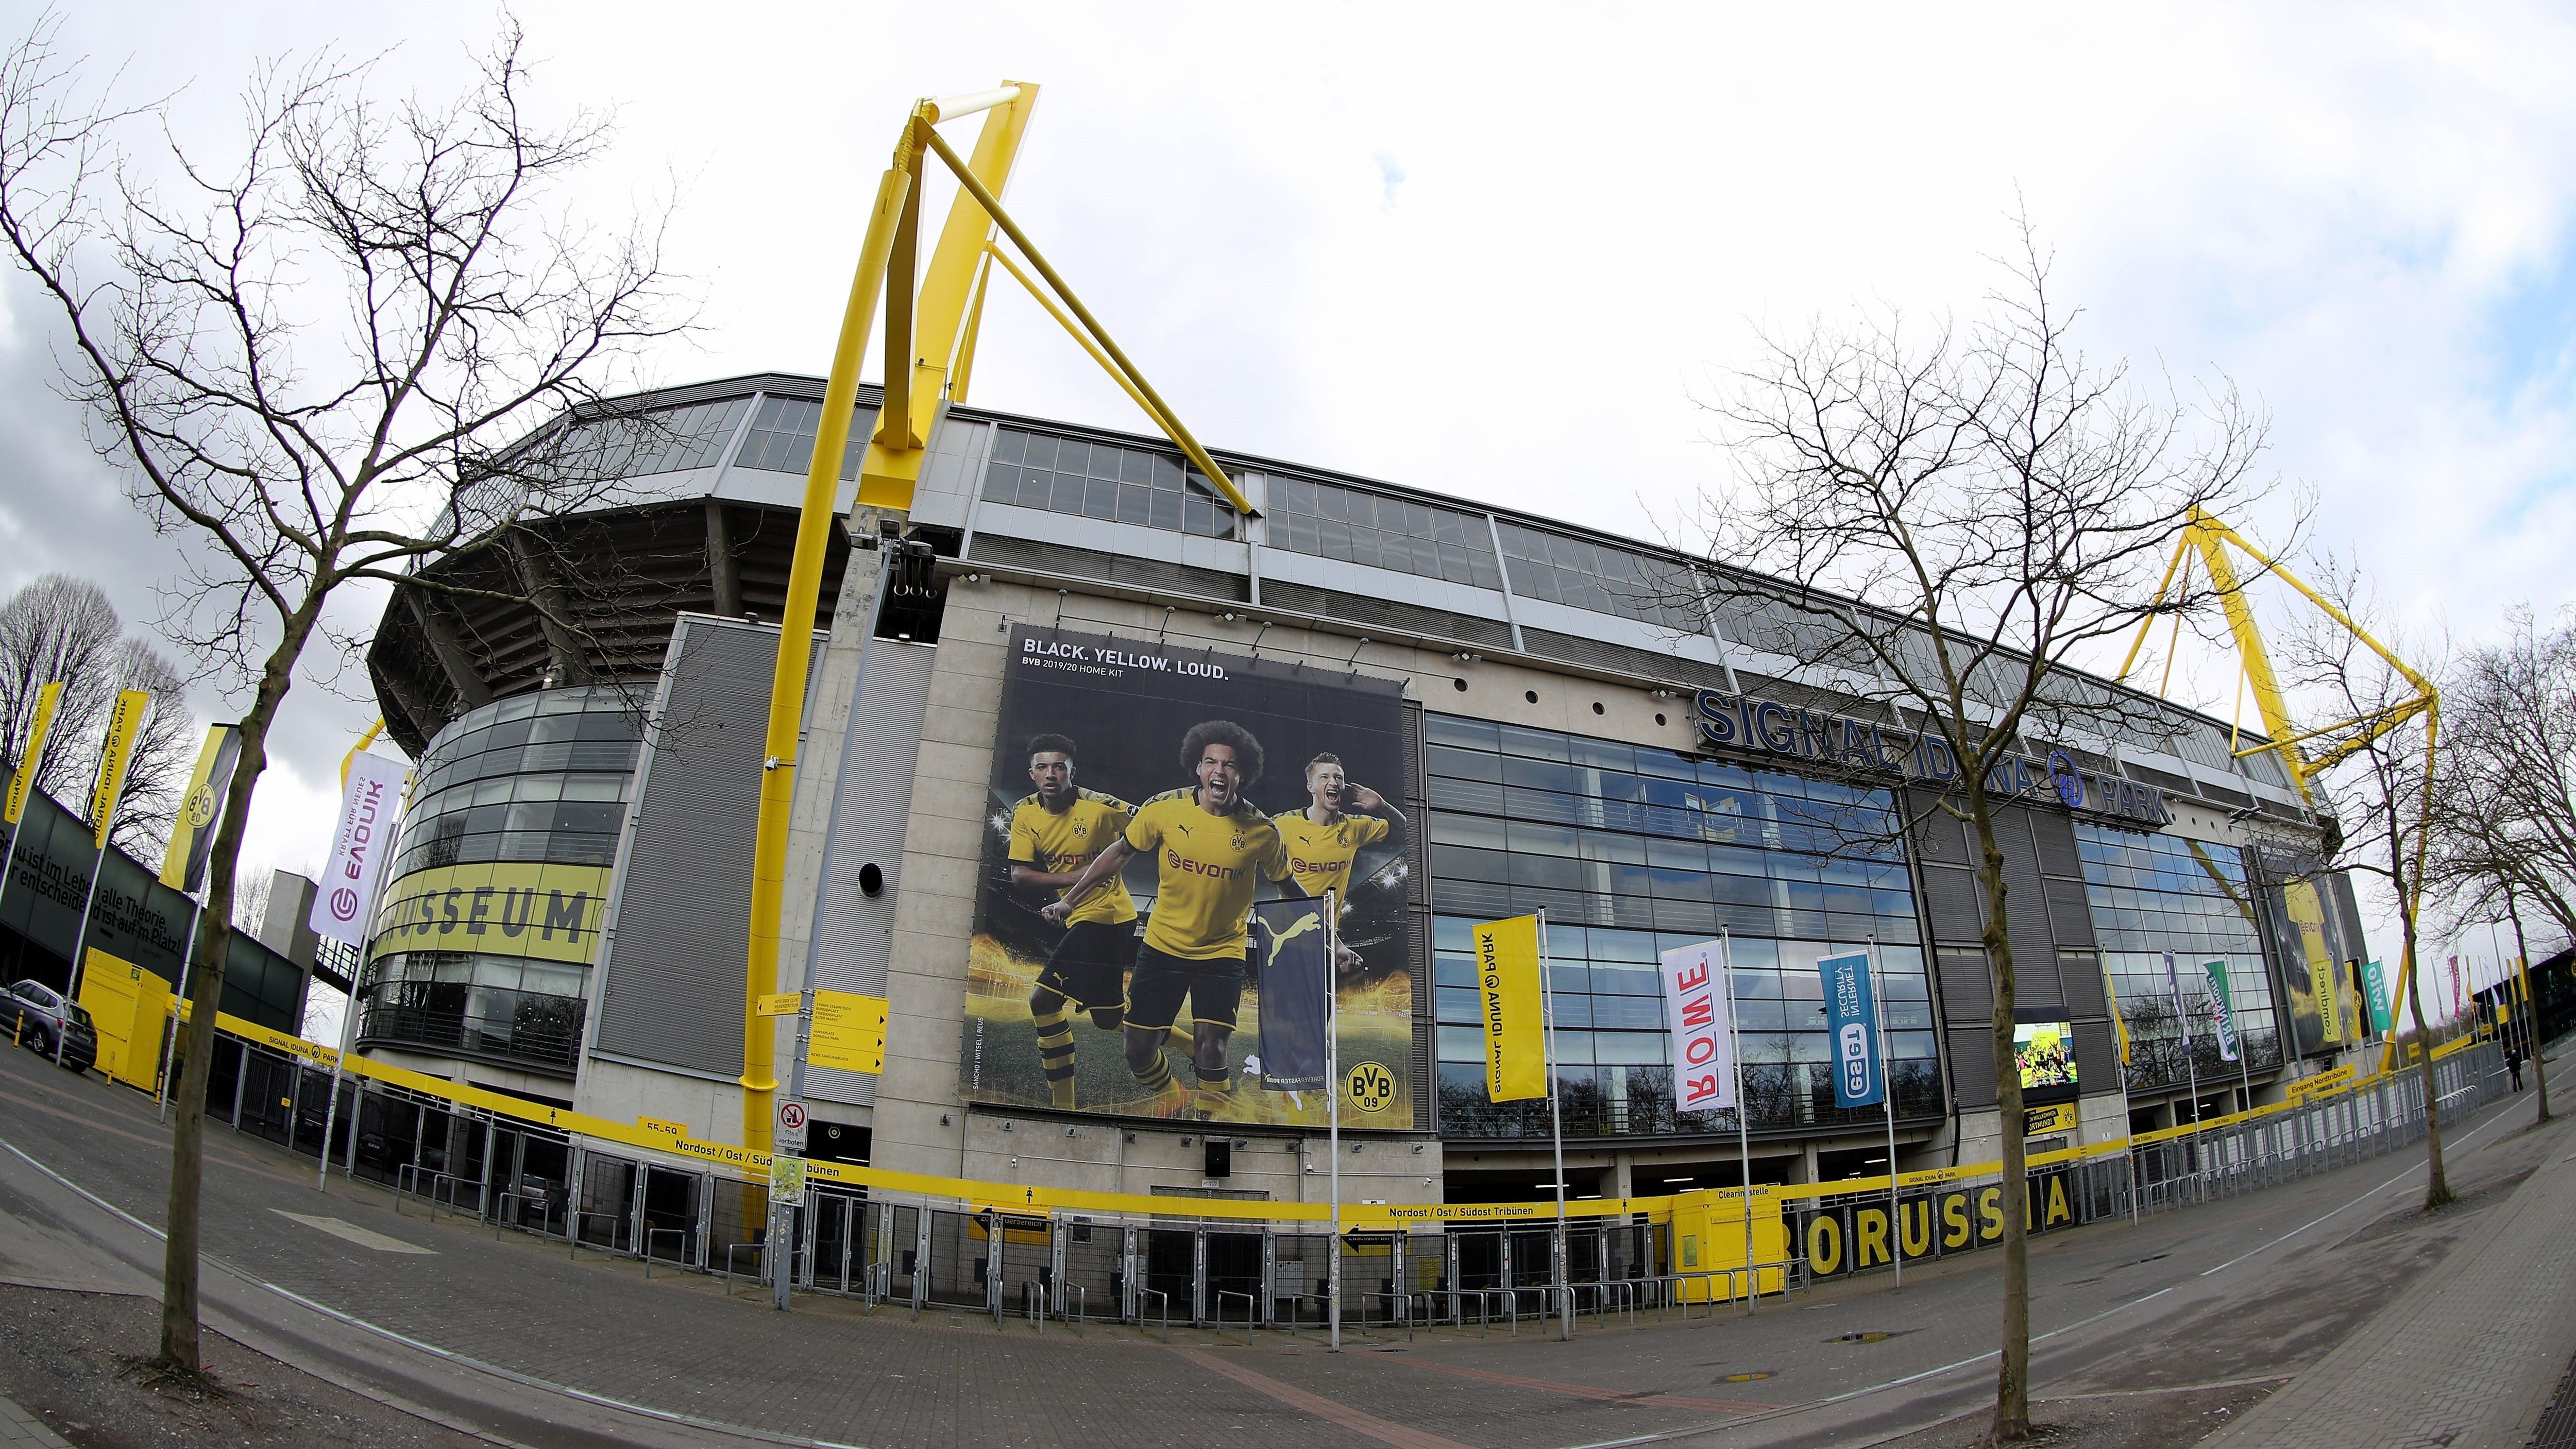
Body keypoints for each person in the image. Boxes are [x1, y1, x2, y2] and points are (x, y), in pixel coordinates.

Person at [1046, 720, 1286, 1119]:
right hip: (1163, 946)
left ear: (1242, 773)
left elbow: (1289, 886)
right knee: (1138, 1050)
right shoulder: (1163, 808)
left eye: (1229, 764)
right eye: (1211, 761)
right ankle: (1173, 1092)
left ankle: (1212, 1128)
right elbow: (1120, 853)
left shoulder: (1263, 830)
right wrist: (1070, 900)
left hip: (1222, 951)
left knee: (1212, 1046)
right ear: (1198, 767)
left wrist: (1333, 940)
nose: (1220, 771)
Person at [1005, 734, 1136, 1109]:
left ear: (1071, 772)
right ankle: (1190, 1047)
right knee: (1108, 1019)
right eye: (1043, 767)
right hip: (1077, 913)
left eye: (1059, 766)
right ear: (1032, 773)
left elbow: (1147, 825)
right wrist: (1074, 880)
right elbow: (1020, 876)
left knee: (1042, 999)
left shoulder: (1101, 807)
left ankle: (1063, 1107)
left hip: (1107, 914)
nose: (1051, 774)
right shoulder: (1025, 812)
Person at [1268, 752, 1404, 970]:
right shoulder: (1284, 824)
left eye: (1338, 777)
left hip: (1322, 938)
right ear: (1311, 787)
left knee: (1320, 1004)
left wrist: (1382, 805)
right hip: (1286, 934)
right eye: (1324, 777)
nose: (1333, 782)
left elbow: (1408, 833)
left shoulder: (1355, 827)